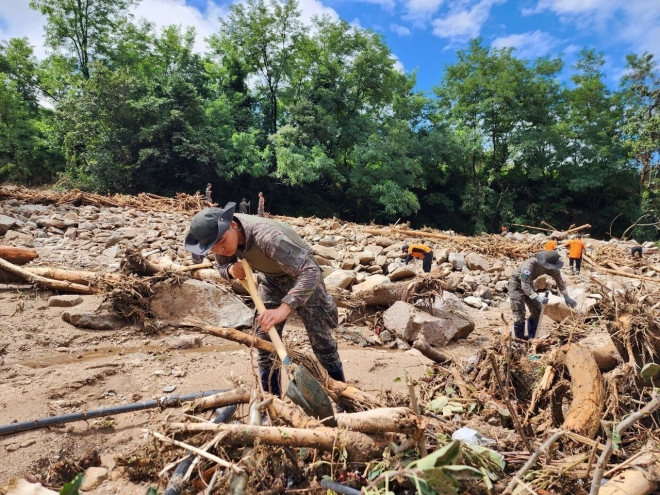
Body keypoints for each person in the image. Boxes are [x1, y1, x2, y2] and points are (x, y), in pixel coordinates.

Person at [184, 202, 346, 398]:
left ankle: (342, 396)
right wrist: (229, 270)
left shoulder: (268, 237)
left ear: (233, 225)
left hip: (303, 278)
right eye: (213, 247)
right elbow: (221, 267)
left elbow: (310, 270)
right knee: (264, 341)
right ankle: (273, 401)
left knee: (322, 343)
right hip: (271, 281)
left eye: (222, 241)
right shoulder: (221, 243)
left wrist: (285, 307)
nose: (221, 249)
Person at [508, 251, 577, 340]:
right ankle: (519, 341)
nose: (550, 268)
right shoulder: (529, 265)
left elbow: (559, 280)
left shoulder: (551, 267)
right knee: (519, 314)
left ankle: (532, 338)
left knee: (537, 310)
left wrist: (566, 296)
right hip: (516, 285)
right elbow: (524, 283)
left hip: (529, 285)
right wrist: (537, 297)